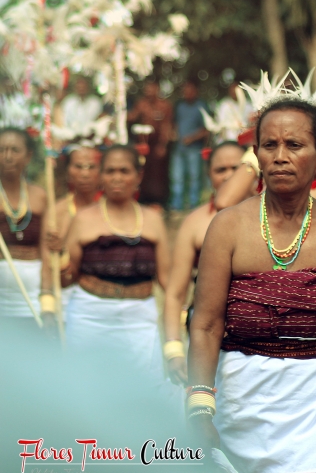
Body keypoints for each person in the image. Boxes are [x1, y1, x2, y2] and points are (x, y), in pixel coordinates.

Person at [187, 98, 316, 473]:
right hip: (243, 402)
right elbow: (206, 324)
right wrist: (199, 405)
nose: (280, 156)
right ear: (256, 154)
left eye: (294, 145)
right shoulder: (227, 227)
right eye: (270, 145)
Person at [64, 146, 178, 404]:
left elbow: (166, 280)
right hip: (89, 316)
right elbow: (67, 278)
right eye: (110, 171)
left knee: (141, 394)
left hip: (140, 318)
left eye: (124, 171)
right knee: (86, 391)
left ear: (138, 176)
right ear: (101, 176)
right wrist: (58, 259)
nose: (117, 178)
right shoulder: (83, 219)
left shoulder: (152, 220)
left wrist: (181, 318)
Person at [162, 141, 244, 386]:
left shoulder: (271, 219)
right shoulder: (195, 222)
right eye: (221, 170)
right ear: (208, 174)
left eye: (236, 168)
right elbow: (175, 293)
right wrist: (173, 349)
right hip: (204, 333)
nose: (229, 176)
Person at [0, 127, 51, 329]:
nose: (7, 156)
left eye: (14, 150)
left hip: (32, 300)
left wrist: (48, 304)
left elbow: (46, 252)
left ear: (28, 156)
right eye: (2, 150)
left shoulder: (40, 196)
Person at [47, 145, 101, 309]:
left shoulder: (113, 212)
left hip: (104, 299)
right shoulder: (56, 212)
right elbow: (46, 264)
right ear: (68, 171)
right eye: (78, 167)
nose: (85, 174)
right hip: (65, 298)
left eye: (91, 167)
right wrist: (47, 305)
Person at [127, 80, 174, 207]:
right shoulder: (141, 104)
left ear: (157, 89)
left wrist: (163, 145)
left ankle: (159, 202)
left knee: (158, 174)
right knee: (143, 170)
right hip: (143, 142)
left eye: (151, 88)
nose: (149, 91)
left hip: (157, 143)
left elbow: (167, 126)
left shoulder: (164, 105)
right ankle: (142, 200)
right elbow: (132, 117)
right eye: (147, 88)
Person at [170, 81, 210, 211]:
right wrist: (173, 134)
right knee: (177, 178)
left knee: (194, 178)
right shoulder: (179, 106)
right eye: (185, 91)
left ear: (195, 91)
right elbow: (175, 124)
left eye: (190, 90)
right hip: (179, 148)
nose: (187, 93)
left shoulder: (201, 106)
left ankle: (194, 206)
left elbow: (207, 129)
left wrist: (192, 138)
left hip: (194, 149)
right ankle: (177, 205)